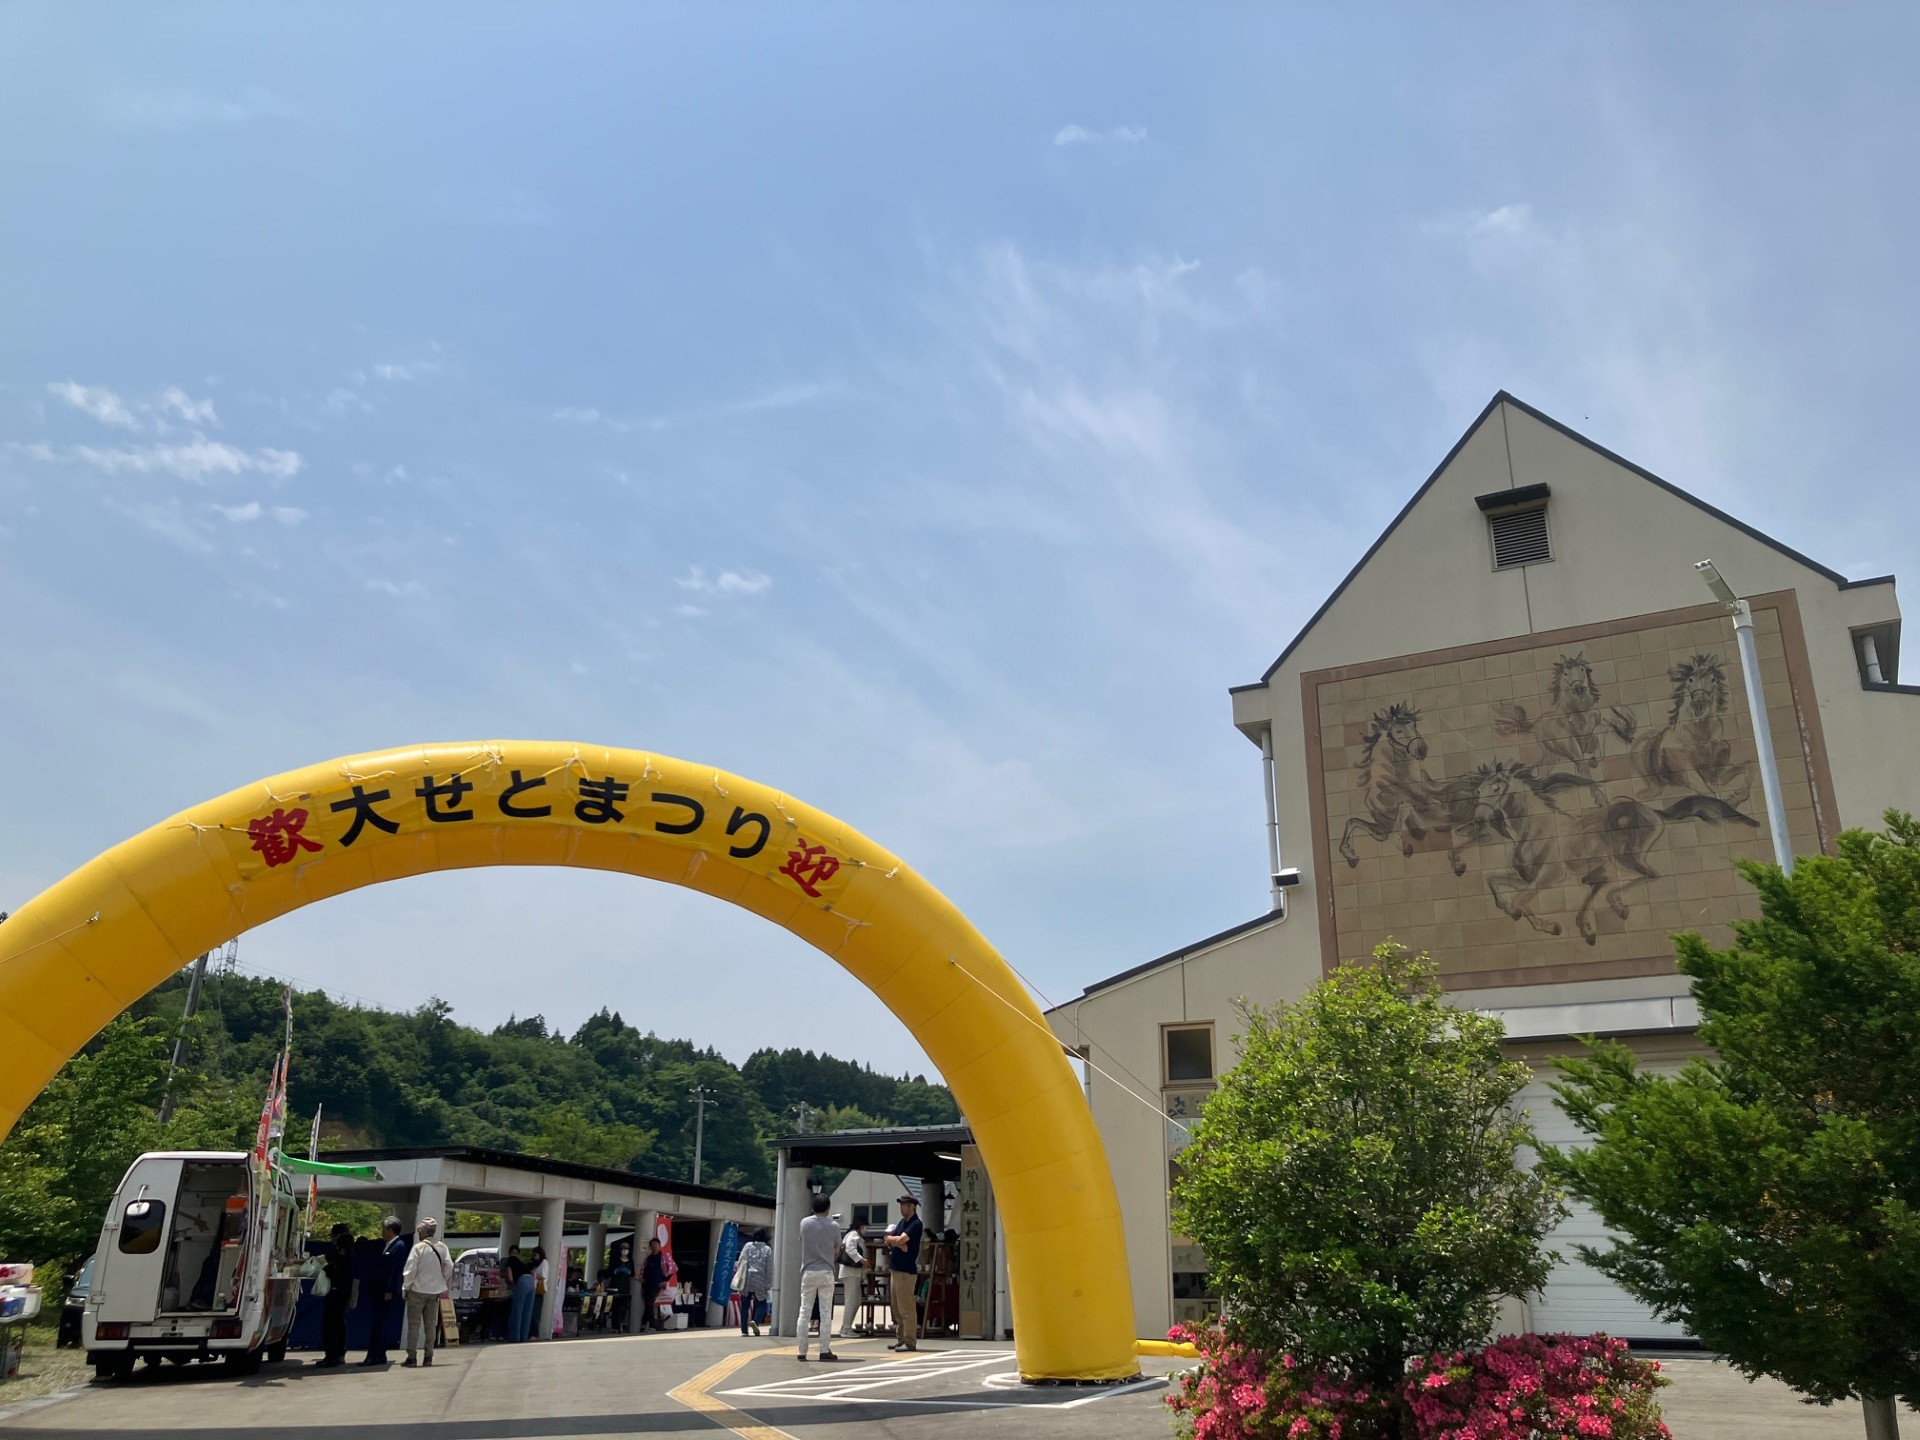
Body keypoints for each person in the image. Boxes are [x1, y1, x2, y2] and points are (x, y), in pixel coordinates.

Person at [401, 1217, 454, 1367]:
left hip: (417, 1290)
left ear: (424, 1232)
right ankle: (428, 1357)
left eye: (420, 1230)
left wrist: (406, 1288)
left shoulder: (418, 1248)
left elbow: (410, 1270)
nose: (419, 1233)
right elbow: (449, 1266)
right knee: (430, 1325)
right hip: (434, 1292)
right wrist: (440, 1278)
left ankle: (412, 1357)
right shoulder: (442, 1247)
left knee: (414, 1325)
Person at [794, 1195, 840, 1362]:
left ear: (813, 1207)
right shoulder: (834, 1226)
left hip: (808, 1271)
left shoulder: (804, 1223)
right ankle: (824, 1350)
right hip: (826, 1271)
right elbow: (837, 1249)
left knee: (804, 1311)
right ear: (828, 1208)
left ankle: (802, 1350)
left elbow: (802, 1240)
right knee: (825, 1312)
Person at [362, 1215, 408, 1366]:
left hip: (386, 1292)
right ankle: (379, 1354)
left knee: (380, 1324)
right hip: (379, 1290)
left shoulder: (399, 1246)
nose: (382, 1232)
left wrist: (389, 1290)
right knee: (378, 1323)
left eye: (384, 1229)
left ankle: (374, 1355)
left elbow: (396, 1271)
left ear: (391, 1230)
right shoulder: (387, 1245)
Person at [882, 1194, 923, 1352]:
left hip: (906, 1271)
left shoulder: (916, 1224)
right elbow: (891, 1239)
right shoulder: (902, 1223)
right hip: (896, 1268)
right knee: (897, 1308)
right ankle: (901, 1339)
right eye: (901, 1204)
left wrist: (895, 1241)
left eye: (904, 1205)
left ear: (912, 1206)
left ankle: (910, 1341)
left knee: (906, 1308)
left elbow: (898, 1240)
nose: (901, 1208)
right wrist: (896, 1241)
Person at [317, 1224, 354, 1368]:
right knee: (339, 1323)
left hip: (335, 1292)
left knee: (329, 1325)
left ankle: (331, 1356)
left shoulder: (341, 1255)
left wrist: (327, 1266)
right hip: (344, 1293)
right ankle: (339, 1353)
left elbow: (337, 1273)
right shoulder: (350, 1253)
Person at [736, 1229, 772, 1337]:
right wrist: (768, 1284)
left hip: (747, 1278)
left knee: (745, 1305)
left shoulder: (748, 1246)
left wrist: (739, 1277)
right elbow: (769, 1268)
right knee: (762, 1304)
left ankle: (744, 1331)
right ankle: (755, 1322)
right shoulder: (767, 1249)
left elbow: (741, 1261)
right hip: (760, 1279)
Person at [835, 1220, 867, 1341]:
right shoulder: (853, 1234)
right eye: (864, 1227)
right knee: (851, 1301)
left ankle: (846, 1326)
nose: (865, 1229)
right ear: (859, 1227)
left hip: (853, 1273)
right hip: (850, 1272)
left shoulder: (852, 1235)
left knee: (856, 1300)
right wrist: (862, 1260)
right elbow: (850, 1249)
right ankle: (846, 1328)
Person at [506, 1244, 537, 1342]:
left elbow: (510, 1278)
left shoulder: (509, 1261)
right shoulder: (521, 1262)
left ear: (509, 1253)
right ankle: (524, 1336)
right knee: (527, 1311)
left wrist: (511, 1286)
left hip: (522, 1282)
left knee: (517, 1310)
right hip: (531, 1282)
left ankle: (515, 1337)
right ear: (518, 1254)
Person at [639, 1238, 668, 1332]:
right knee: (648, 1304)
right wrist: (642, 1278)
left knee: (650, 1304)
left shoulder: (664, 1256)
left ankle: (652, 1325)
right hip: (647, 1284)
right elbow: (644, 1270)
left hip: (657, 1284)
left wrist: (665, 1281)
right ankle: (644, 1323)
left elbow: (673, 1268)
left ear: (659, 1245)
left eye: (656, 1244)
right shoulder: (649, 1258)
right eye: (652, 1245)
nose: (654, 1246)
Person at [607, 1242, 634, 1333]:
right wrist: (615, 1271)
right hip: (616, 1285)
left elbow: (633, 1273)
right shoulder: (615, 1260)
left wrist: (629, 1272)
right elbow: (610, 1271)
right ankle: (615, 1326)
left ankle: (621, 1323)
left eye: (626, 1249)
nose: (625, 1251)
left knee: (624, 1306)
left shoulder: (630, 1261)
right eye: (623, 1249)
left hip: (625, 1286)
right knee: (616, 1307)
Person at [531, 1247, 551, 1339]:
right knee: (533, 1313)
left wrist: (534, 1274)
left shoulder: (544, 1263)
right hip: (533, 1290)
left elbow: (543, 1276)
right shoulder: (536, 1264)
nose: (534, 1257)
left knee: (535, 1313)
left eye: (536, 1255)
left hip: (538, 1291)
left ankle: (535, 1333)